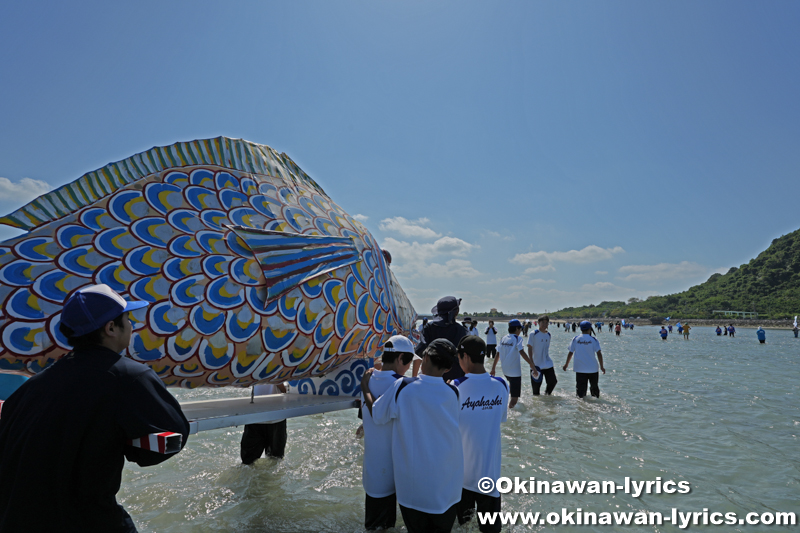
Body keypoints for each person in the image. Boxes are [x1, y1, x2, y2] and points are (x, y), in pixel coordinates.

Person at [0, 284, 190, 533]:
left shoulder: (34, 385)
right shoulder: (128, 376)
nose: (132, 326)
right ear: (111, 328)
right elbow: (173, 438)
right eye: (127, 319)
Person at [362, 339, 462, 533]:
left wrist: (365, 386)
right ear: (449, 368)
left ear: (424, 358)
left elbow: (377, 413)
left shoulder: (403, 387)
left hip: (413, 491)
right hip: (448, 488)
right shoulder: (454, 392)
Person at [452, 336, 508, 533]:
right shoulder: (501, 385)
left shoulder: (455, 386)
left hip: (462, 478)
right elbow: (500, 419)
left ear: (465, 356)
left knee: (463, 527)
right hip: (491, 478)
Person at [360, 335, 414, 531]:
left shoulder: (367, 378)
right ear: (400, 359)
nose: (408, 367)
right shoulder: (404, 386)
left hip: (373, 473)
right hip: (397, 472)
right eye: (408, 362)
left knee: (374, 526)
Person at [415, 296, 469, 381]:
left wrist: (414, 378)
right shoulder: (462, 331)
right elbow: (467, 358)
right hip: (455, 380)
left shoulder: (429, 327)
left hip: (431, 378)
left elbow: (419, 352)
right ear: (456, 312)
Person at [490, 319, 536, 408]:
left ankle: (504, 396)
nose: (521, 331)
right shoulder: (518, 338)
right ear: (516, 329)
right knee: (515, 399)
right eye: (520, 329)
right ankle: (508, 410)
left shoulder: (503, 338)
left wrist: (493, 368)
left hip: (505, 371)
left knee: (511, 384)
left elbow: (498, 354)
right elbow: (522, 352)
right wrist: (532, 365)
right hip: (515, 372)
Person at [241, 383, 288, 464]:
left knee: (248, 460)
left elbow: (245, 384)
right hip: (276, 417)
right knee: (275, 459)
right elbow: (283, 390)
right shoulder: (279, 371)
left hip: (256, 415)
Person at [562, 321, 605, 399]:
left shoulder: (576, 339)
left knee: (580, 393)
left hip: (580, 369)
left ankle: (581, 408)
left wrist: (566, 364)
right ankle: (596, 405)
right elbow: (599, 354)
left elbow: (570, 353)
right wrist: (602, 366)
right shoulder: (593, 340)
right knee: (594, 390)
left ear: (581, 329)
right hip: (593, 369)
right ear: (590, 329)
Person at [527, 315, 557, 395]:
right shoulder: (533, 334)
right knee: (536, 391)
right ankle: (538, 405)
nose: (545, 324)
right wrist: (531, 363)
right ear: (538, 323)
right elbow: (529, 348)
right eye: (543, 322)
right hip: (536, 365)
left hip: (547, 363)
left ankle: (547, 395)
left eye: (546, 323)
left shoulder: (548, 335)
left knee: (553, 382)